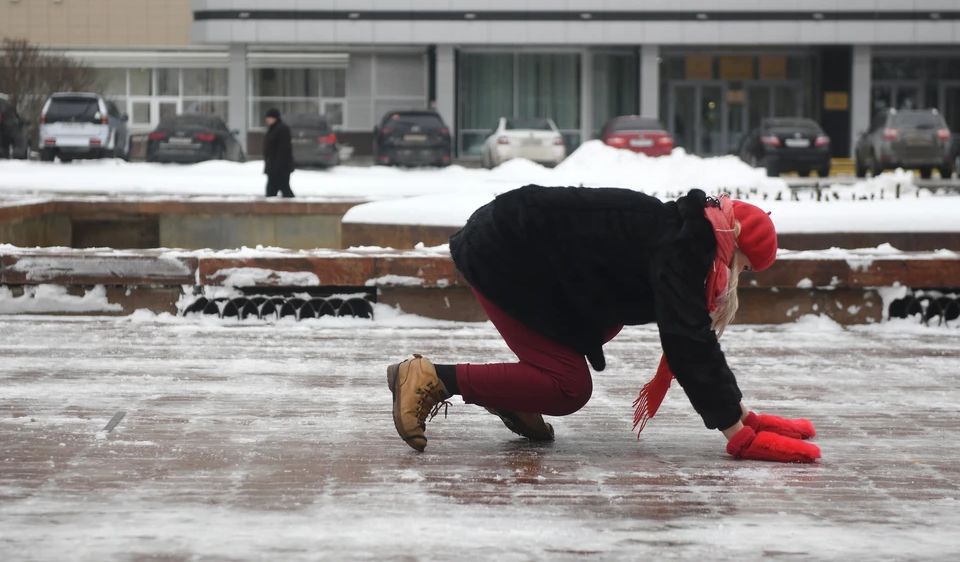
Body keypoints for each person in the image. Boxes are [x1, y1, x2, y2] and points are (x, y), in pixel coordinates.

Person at [387, 185, 821, 463]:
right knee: (568, 386)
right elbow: (689, 342)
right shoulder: (682, 252)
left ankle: (516, 395)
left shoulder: (686, 233)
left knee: (598, 333)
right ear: (733, 243)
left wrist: (749, 417)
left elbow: (692, 336)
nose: (736, 279)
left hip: (528, 254)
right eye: (742, 268)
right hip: (503, 250)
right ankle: (428, 377)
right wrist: (738, 432)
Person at [263, 108, 295, 198]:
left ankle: (295, 207)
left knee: (284, 188)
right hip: (273, 166)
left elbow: (284, 149)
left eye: (269, 118)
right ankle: (269, 208)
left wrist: (278, 165)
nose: (267, 120)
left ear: (275, 118)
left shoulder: (282, 129)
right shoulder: (272, 129)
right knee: (271, 190)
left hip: (281, 167)